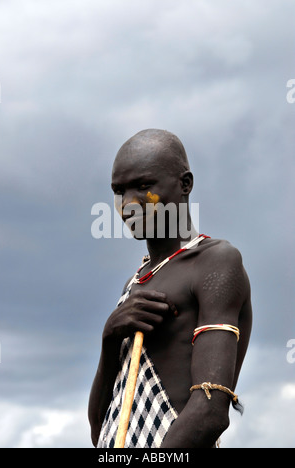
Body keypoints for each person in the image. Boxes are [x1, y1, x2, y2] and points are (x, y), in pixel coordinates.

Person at [88, 129, 252, 448]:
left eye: (144, 186)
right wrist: (109, 337)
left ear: (185, 184)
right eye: (119, 191)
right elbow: (101, 429)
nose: (129, 204)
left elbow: (210, 412)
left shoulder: (215, 262)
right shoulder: (135, 283)